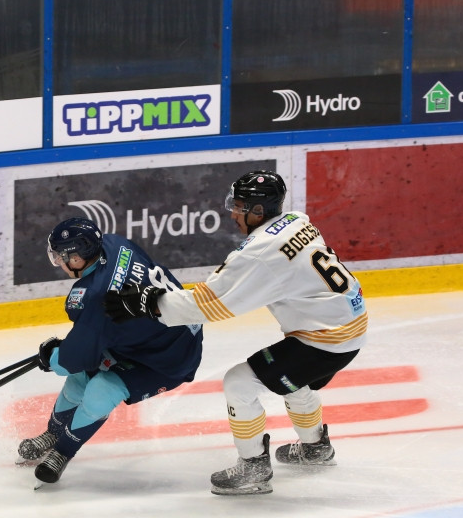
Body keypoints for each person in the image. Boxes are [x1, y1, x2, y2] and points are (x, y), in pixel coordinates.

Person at [104, 170, 367, 495]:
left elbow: (209, 305)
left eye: (239, 206)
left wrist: (149, 302)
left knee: (239, 383)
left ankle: (253, 467)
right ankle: (315, 447)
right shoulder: (296, 221)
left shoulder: (260, 251)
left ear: (258, 211)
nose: (233, 213)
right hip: (351, 322)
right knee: (291, 377)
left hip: (326, 338)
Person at [19, 217, 204, 485]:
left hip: (169, 359)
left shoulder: (95, 296)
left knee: (101, 391)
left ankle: (62, 451)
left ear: (77, 256)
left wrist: (53, 357)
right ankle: (53, 433)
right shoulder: (114, 243)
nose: (58, 261)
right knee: (80, 380)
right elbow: (94, 337)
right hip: (151, 336)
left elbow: (71, 360)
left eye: (61, 256)